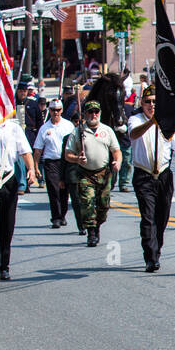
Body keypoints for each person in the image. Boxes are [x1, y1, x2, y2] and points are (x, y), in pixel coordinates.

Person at [129, 85, 175, 272]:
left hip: (163, 174)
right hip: (144, 175)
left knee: (161, 217)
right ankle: (150, 257)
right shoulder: (135, 119)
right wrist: (152, 122)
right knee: (148, 217)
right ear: (142, 103)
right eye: (147, 102)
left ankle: (157, 249)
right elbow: (133, 134)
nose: (151, 105)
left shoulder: (168, 122)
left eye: (155, 102)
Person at [0, 117, 36, 282]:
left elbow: (25, 151)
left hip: (8, 179)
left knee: (7, 225)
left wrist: (31, 169)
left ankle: (4, 266)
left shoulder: (14, 128)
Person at [64, 101, 122, 248]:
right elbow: (67, 154)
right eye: (90, 112)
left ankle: (97, 226)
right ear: (85, 114)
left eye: (96, 112)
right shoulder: (78, 131)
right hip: (85, 174)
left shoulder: (107, 130)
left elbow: (116, 150)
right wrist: (77, 158)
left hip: (103, 173)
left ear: (100, 113)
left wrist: (117, 162)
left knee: (103, 206)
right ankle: (91, 232)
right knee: (87, 202)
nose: (93, 115)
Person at [32, 100, 73, 227]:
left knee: (64, 190)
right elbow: (38, 149)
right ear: (49, 111)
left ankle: (62, 215)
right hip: (51, 162)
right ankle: (55, 217)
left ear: (61, 110)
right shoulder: (44, 128)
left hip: (65, 161)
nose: (56, 113)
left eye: (58, 110)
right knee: (53, 189)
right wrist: (35, 166)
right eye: (53, 110)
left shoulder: (68, 126)